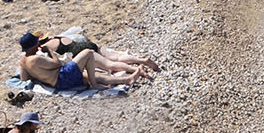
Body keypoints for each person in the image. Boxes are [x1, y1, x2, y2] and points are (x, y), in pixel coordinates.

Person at [18, 45, 154, 91]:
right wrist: (50, 52)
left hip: (57, 84)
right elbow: (58, 64)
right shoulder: (36, 58)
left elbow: (24, 78)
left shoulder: (22, 61)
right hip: (62, 76)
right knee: (90, 53)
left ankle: (128, 79)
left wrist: (40, 75)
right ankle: (95, 84)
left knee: (92, 75)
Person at [17, 30, 159, 74]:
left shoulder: (45, 48)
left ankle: (137, 70)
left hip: (81, 51)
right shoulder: (56, 37)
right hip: (86, 44)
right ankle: (142, 60)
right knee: (115, 56)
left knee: (110, 65)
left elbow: (54, 63)